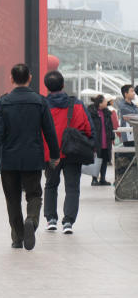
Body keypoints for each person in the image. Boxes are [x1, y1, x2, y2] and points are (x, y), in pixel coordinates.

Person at [0, 63, 60, 251]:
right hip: (32, 157)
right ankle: (32, 220)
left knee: (12, 199)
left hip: (10, 158)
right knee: (34, 194)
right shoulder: (40, 101)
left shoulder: (3, 102)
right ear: (30, 78)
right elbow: (49, 131)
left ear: (11, 79)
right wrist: (54, 155)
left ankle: (18, 237)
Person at [43, 71, 92, 234]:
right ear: (63, 85)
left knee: (51, 185)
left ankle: (51, 219)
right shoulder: (76, 104)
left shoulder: (43, 105)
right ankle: (68, 222)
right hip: (72, 152)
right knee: (72, 187)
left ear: (47, 87)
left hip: (51, 154)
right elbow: (88, 128)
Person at [87, 94, 116, 186]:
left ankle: (102, 179)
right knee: (96, 160)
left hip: (106, 140)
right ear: (100, 103)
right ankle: (94, 179)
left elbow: (110, 125)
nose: (106, 103)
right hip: (96, 140)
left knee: (104, 160)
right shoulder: (92, 112)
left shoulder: (107, 112)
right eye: (104, 101)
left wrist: (112, 136)